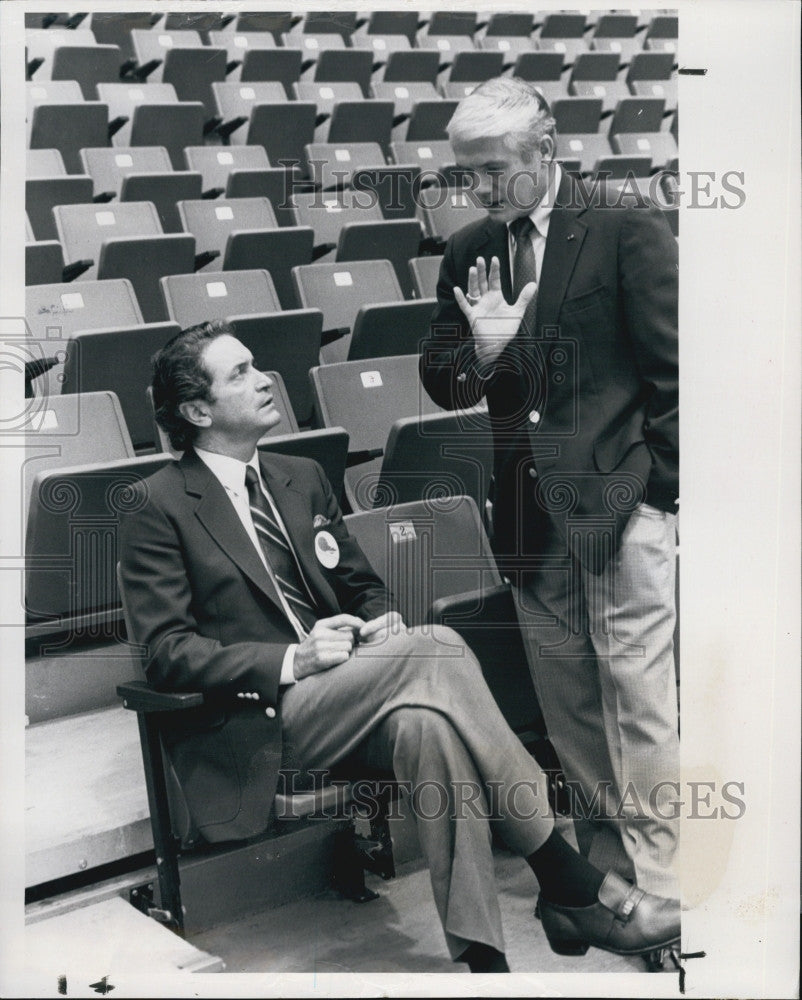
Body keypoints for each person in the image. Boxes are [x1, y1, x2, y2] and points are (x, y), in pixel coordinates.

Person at [119, 321, 680, 972]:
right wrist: (292, 659)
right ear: (196, 410)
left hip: (357, 688)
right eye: (240, 373)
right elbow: (165, 651)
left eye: (258, 364)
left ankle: (486, 965)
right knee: (436, 645)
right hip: (264, 715)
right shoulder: (153, 506)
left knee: (427, 728)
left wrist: (378, 621)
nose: (265, 378)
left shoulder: (300, 477)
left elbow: (362, 586)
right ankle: (565, 875)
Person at [419, 76, 680, 899]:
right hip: (529, 518)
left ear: (548, 147)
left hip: (620, 504)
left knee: (639, 702)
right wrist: (485, 355)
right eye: (467, 173)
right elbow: (442, 379)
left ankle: (668, 886)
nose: (481, 188)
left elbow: (676, 373)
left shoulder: (625, 226)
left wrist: (657, 496)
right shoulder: (468, 249)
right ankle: (609, 873)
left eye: (494, 168)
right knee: (569, 708)